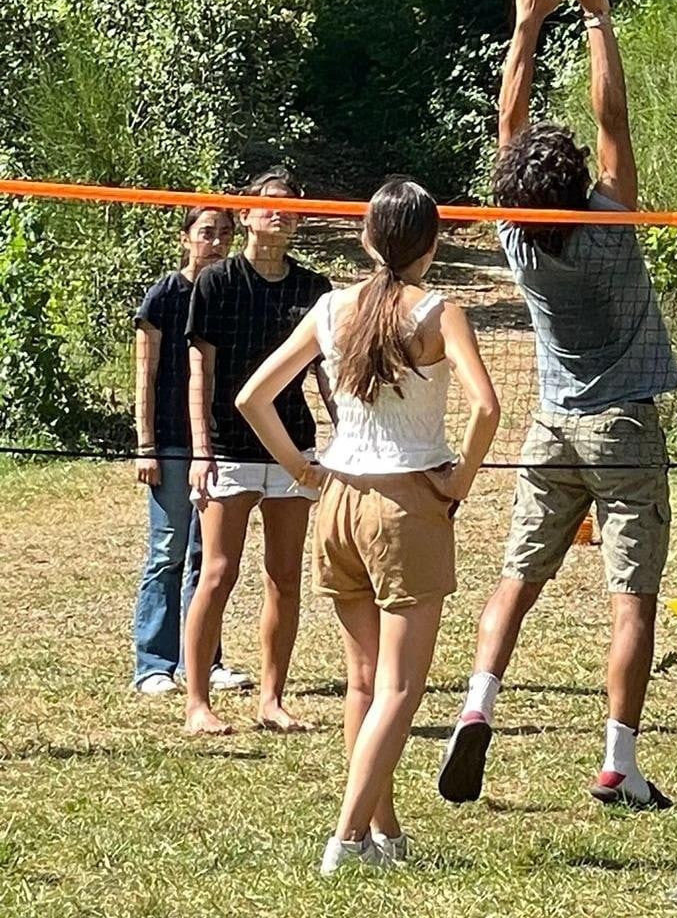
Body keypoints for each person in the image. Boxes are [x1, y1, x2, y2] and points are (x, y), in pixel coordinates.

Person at [437, 0, 677, 810]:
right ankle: (619, 763)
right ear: (579, 181)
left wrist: (526, 23)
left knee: (517, 577)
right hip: (622, 430)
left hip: (551, 425)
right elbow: (613, 119)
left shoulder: (514, 232)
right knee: (632, 598)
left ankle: (477, 703)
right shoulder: (608, 221)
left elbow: (510, 122)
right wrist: (597, 16)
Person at [237, 177, 500, 875]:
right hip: (404, 505)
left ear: (365, 238)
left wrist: (303, 471)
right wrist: (459, 482)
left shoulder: (331, 307)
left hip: (339, 502)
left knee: (364, 682)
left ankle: (385, 833)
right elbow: (487, 407)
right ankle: (348, 839)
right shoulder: (439, 311)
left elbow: (253, 397)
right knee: (399, 689)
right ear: (432, 244)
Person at [181, 167, 333, 736]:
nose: (281, 213)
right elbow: (200, 372)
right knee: (217, 573)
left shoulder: (314, 289)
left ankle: (272, 700)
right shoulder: (216, 283)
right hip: (229, 445)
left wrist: (346, 432)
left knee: (285, 576)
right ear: (245, 214)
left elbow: (326, 374)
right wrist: (200, 450)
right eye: (269, 204)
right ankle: (197, 703)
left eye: (290, 206)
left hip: (292, 445)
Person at [131, 206, 250, 696]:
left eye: (225, 234)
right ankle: (153, 664)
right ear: (185, 239)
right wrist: (146, 446)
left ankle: (202, 661)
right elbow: (145, 376)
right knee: (168, 552)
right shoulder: (164, 295)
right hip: (173, 443)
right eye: (206, 233)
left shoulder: (230, 293)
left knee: (208, 557)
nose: (216, 243)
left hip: (219, 443)